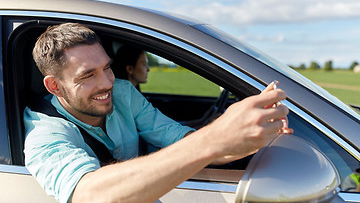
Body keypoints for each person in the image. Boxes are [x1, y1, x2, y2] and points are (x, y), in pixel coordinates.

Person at [24, 23, 291, 203]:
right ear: (55, 85)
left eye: (107, 68)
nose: (107, 82)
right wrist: (213, 139)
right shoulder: (43, 131)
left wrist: (252, 135)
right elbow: (88, 194)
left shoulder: (123, 93)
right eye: (88, 75)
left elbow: (177, 138)